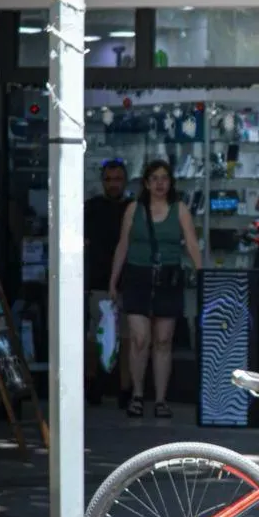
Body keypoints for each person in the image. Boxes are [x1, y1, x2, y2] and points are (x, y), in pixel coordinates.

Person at [107, 160, 203, 419]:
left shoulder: (180, 209)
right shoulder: (133, 210)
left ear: (170, 182)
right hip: (137, 276)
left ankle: (161, 399)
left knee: (163, 340)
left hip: (168, 278)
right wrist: (113, 281)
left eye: (165, 178)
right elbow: (122, 246)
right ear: (147, 183)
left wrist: (204, 275)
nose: (160, 183)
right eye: (155, 178)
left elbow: (192, 245)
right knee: (139, 339)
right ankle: (138, 394)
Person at [85, 159, 129, 406]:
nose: (113, 184)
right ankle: (93, 385)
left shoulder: (133, 208)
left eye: (117, 179)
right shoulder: (92, 208)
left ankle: (125, 389)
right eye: (108, 179)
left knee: (126, 337)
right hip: (99, 281)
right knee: (95, 337)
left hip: (128, 281)